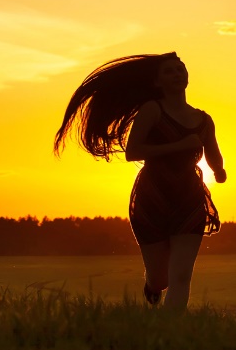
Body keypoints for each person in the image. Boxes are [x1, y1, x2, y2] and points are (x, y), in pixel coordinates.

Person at [53, 52, 226, 310]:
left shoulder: (204, 120)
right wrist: (179, 145)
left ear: (187, 77)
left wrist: (219, 171)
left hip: (189, 198)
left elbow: (214, 155)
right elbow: (133, 152)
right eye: (169, 71)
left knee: (181, 276)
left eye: (180, 69)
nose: (177, 74)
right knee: (161, 278)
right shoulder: (152, 110)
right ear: (157, 82)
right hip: (152, 196)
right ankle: (152, 286)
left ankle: (170, 334)